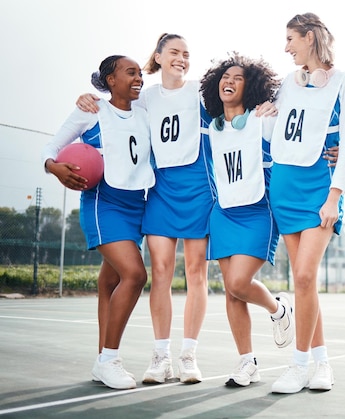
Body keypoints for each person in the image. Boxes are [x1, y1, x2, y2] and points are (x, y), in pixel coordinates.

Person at [76, 34, 277, 385]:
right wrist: (90, 98)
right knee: (162, 273)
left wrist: (266, 110)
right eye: (174, 52)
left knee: (196, 272)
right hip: (160, 191)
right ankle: (160, 356)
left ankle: (188, 356)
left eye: (186, 54)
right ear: (159, 56)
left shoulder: (202, 92)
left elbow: (240, 104)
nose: (181, 58)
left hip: (200, 190)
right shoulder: (146, 97)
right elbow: (116, 106)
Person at [42, 55, 155, 390]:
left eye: (139, 73)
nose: (138, 78)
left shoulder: (145, 114)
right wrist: (53, 166)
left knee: (110, 282)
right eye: (130, 73)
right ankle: (109, 359)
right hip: (104, 203)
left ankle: (100, 360)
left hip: (137, 204)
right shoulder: (92, 111)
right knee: (135, 275)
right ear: (110, 79)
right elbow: (52, 145)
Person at [268, 12, 345, 394]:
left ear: (309, 38)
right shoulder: (285, 84)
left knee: (304, 277)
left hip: (320, 188)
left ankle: (298, 365)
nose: (286, 47)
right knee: (303, 284)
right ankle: (321, 363)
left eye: (291, 38)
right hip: (284, 186)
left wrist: (334, 198)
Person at [199, 52, 296, 387]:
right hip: (223, 213)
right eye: (225, 77)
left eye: (238, 78)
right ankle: (247, 362)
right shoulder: (212, 128)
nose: (230, 81)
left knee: (240, 283)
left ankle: (279, 309)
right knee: (231, 292)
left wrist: (334, 148)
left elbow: (296, 121)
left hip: (257, 211)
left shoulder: (262, 119)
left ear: (250, 86)